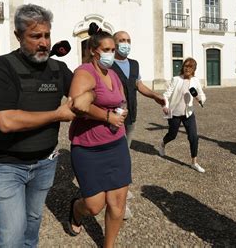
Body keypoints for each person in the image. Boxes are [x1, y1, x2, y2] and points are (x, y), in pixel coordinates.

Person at [0, 4, 87, 247]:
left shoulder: (57, 68)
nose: (44, 43)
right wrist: (57, 114)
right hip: (6, 166)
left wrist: (84, 97)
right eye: (35, 36)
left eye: (47, 35)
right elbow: (5, 121)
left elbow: (85, 90)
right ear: (18, 36)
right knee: (11, 236)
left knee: (32, 223)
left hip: (45, 163)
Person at [67, 22, 130, 248]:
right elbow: (76, 105)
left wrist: (122, 111)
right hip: (88, 147)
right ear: (94, 51)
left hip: (116, 145)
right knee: (94, 206)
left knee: (117, 203)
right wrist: (107, 117)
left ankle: (108, 246)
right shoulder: (84, 72)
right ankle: (76, 208)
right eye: (107, 50)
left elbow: (121, 99)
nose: (111, 54)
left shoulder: (112, 74)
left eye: (113, 49)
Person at [110, 30, 165, 219]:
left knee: (124, 154)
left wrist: (155, 96)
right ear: (114, 44)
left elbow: (139, 85)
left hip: (131, 116)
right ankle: (119, 200)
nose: (125, 43)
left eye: (128, 40)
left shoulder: (134, 64)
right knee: (117, 157)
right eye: (121, 41)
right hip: (114, 118)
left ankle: (121, 188)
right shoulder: (108, 64)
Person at [159, 57, 207, 173]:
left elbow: (202, 95)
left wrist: (199, 99)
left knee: (193, 137)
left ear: (194, 69)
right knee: (172, 135)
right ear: (183, 67)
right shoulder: (176, 79)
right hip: (174, 113)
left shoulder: (195, 81)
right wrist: (165, 105)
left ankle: (194, 162)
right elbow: (166, 94)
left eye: (190, 67)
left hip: (188, 113)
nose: (187, 68)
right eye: (186, 66)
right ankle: (162, 143)